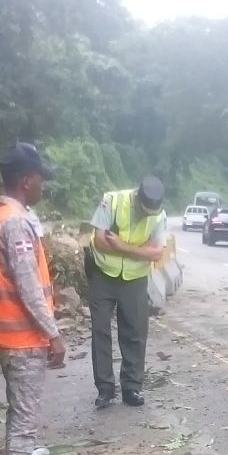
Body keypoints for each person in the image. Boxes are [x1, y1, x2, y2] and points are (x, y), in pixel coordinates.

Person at [0, 143, 67, 455]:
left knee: (21, 417)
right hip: (23, 339)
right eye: (40, 179)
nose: (43, 186)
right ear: (26, 180)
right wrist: (54, 334)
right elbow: (29, 286)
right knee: (24, 421)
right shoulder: (14, 223)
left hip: (7, 335)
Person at [88, 175, 168, 409]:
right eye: (144, 211)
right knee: (101, 331)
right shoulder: (112, 201)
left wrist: (122, 246)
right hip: (103, 275)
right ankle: (105, 388)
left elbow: (156, 253)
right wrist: (139, 251)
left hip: (135, 280)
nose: (148, 216)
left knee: (135, 332)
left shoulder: (159, 216)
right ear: (136, 199)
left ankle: (132, 387)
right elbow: (101, 241)